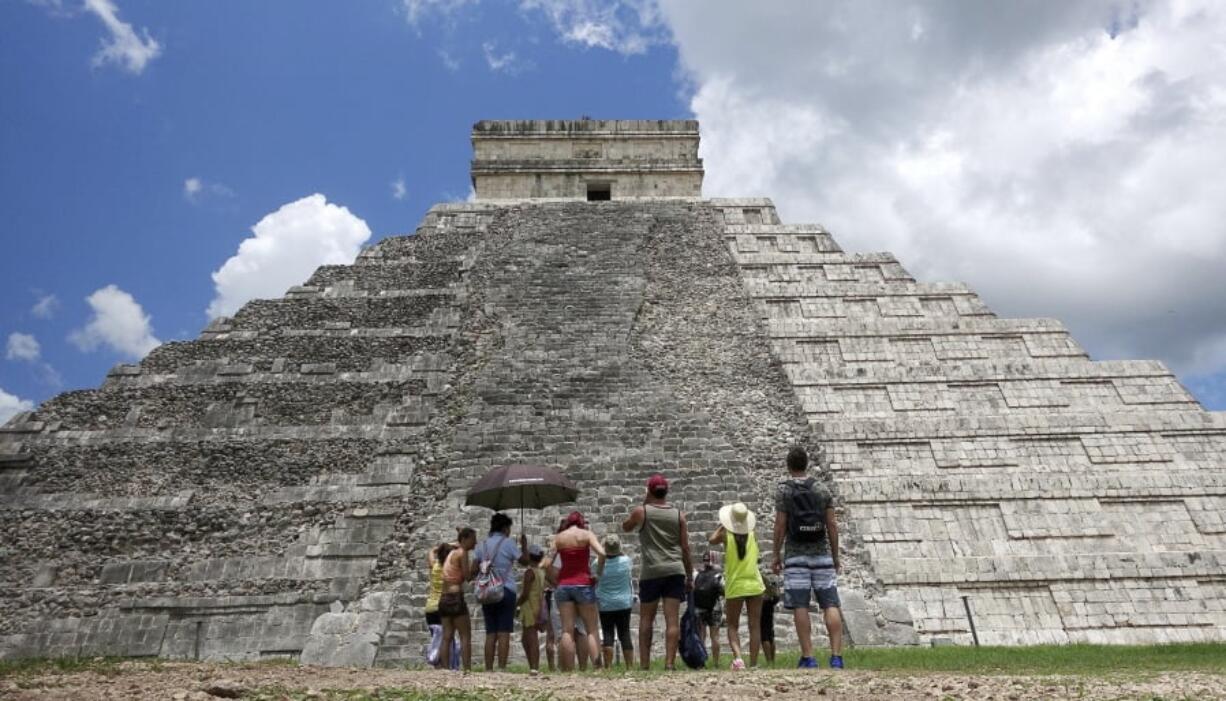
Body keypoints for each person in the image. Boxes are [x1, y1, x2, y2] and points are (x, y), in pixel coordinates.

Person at [772, 446, 843, 669]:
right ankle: (836, 656)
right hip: (821, 554)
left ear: (788, 465)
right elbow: (832, 524)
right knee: (830, 603)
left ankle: (808, 656)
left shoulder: (784, 491)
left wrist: (776, 553)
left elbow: (781, 525)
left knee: (800, 605)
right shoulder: (822, 489)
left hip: (796, 556)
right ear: (807, 464)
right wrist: (835, 554)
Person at [622, 473, 693, 671]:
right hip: (674, 570)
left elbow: (625, 527)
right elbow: (685, 548)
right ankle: (669, 663)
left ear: (650, 491)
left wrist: (644, 502)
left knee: (646, 619)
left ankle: (645, 664)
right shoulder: (679, 515)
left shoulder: (641, 512)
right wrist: (689, 574)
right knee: (672, 619)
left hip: (651, 571)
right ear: (666, 492)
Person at [543, 511, 606, 671]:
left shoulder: (559, 538)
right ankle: (597, 666)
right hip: (583, 583)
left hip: (564, 585)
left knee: (567, 630)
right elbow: (602, 553)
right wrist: (597, 574)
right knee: (591, 628)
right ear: (581, 522)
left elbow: (546, 562)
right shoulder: (586, 534)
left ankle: (569, 669)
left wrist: (555, 580)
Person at [709, 502, 765, 670]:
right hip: (755, 584)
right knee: (754, 626)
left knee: (733, 625)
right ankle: (754, 663)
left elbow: (712, 539)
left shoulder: (727, 535)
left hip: (735, 585)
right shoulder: (753, 534)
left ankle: (739, 659)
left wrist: (723, 524)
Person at [474, 513, 530, 671]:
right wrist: (524, 545)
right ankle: (502, 668)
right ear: (505, 528)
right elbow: (525, 562)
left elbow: (473, 568)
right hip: (506, 590)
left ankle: (489, 669)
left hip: (486, 592)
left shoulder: (482, 545)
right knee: (504, 630)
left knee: (491, 632)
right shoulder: (508, 543)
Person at [439, 527, 477, 672]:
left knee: (447, 636)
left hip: (444, 597)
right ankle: (467, 668)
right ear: (465, 539)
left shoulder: (452, 552)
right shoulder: (462, 553)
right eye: (473, 539)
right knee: (465, 635)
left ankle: (445, 668)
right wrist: (477, 566)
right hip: (456, 597)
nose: (476, 543)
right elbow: (467, 577)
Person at [594, 534, 634, 669]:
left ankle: (609, 666)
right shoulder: (626, 561)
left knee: (608, 633)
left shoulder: (597, 563)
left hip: (605, 603)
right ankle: (629, 665)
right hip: (624, 603)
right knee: (625, 633)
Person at [516, 544, 548, 672]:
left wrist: (517, 603)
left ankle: (534, 667)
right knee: (525, 638)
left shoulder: (530, 572)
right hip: (537, 604)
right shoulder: (541, 571)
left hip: (530, 605)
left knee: (531, 637)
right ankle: (532, 665)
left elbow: (525, 593)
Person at [425, 541, 456, 668]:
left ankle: (437, 665)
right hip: (444, 606)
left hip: (430, 608)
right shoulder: (450, 569)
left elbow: (432, 550)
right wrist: (452, 545)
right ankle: (445, 665)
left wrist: (441, 547)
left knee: (436, 638)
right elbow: (461, 547)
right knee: (446, 639)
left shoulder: (434, 566)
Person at [692, 551, 724, 668]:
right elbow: (724, 591)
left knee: (701, 636)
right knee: (715, 636)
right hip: (715, 607)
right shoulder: (718, 575)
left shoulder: (697, 574)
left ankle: (701, 662)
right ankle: (716, 663)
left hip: (700, 608)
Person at [759, 556, 783, 666]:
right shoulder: (771, 573)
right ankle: (772, 661)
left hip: (762, 602)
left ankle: (769, 661)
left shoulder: (758, 571)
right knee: (770, 632)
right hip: (772, 601)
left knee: (764, 633)